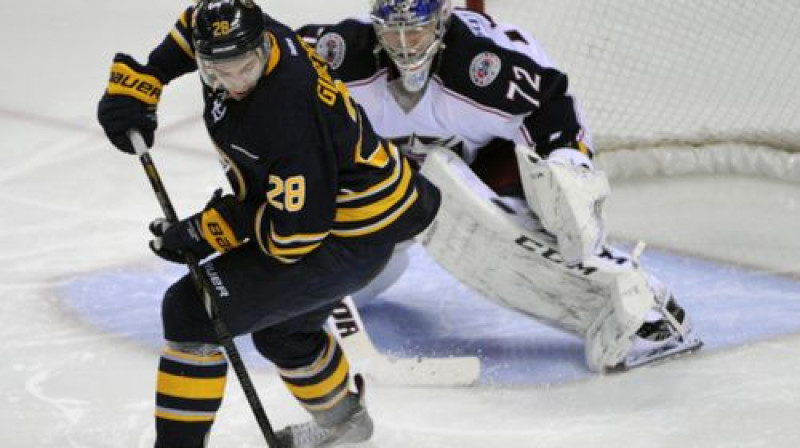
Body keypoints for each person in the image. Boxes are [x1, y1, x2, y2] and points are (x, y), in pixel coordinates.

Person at [96, 0, 440, 447]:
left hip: (346, 232)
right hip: (361, 207)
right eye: (218, 70)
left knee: (192, 310)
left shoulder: (283, 113)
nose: (235, 84)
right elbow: (198, 18)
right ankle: (345, 423)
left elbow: (296, 235)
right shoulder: (256, 31)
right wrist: (149, 75)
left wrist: (206, 231)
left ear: (262, 48)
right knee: (284, 332)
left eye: (245, 68)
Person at [295, 0, 701, 371]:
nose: (403, 46)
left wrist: (568, 170)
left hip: (482, 170)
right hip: (388, 192)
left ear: (440, 22)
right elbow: (273, 58)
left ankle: (649, 311)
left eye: (415, 31)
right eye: (391, 32)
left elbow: (551, 106)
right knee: (303, 289)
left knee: (517, 222)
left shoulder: (480, 67)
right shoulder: (343, 53)